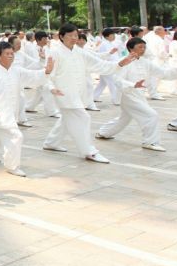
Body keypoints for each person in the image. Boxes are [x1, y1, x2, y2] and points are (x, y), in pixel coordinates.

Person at [43, 24, 135, 163]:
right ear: (61, 36)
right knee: (82, 117)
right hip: (63, 93)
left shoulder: (80, 52)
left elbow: (99, 64)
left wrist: (120, 63)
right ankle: (89, 151)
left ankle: (51, 142)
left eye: (76, 35)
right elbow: (48, 73)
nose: (75, 38)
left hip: (78, 93)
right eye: (71, 35)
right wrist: (51, 87)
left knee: (67, 119)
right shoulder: (55, 53)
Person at [96, 37, 177, 151]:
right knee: (151, 115)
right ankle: (150, 142)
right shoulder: (124, 61)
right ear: (130, 48)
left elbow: (163, 73)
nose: (143, 49)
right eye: (140, 47)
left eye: (144, 47)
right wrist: (133, 85)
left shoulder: (146, 62)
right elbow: (117, 80)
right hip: (129, 95)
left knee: (124, 119)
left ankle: (103, 133)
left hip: (139, 95)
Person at [0, 41, 54, 177]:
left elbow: (33, 76)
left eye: (12, 53)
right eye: (7, 54)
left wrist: (46, 71)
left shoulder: (17, 70)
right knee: (15, 136)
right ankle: (11, 166)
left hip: (12, 111)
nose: (10, 56)